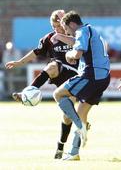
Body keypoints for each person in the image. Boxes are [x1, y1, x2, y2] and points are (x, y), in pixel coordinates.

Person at [5, 10, 90, 159]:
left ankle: (61, 146)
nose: (56, 29)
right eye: (53, 26)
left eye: (58, 26)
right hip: (59, 71)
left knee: (67, 116)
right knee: (52, 66)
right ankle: (28, 92)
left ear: (65, 24)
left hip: (76, 75)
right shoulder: (50, 38)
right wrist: (19, 62)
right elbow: (36, 52)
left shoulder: (77, 35)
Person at [53, 10, 110, 160]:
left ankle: (80, 126)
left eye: (66, 29)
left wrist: (68, 55)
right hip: (104, 77)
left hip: (91, 75)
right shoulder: (91, 30)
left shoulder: (81, 31)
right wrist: (60, 36)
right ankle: (74, 152)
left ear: (72, 24)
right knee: (81, 113)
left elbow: (77, 53)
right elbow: (76, 42)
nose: (68, 33)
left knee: (58, 94)